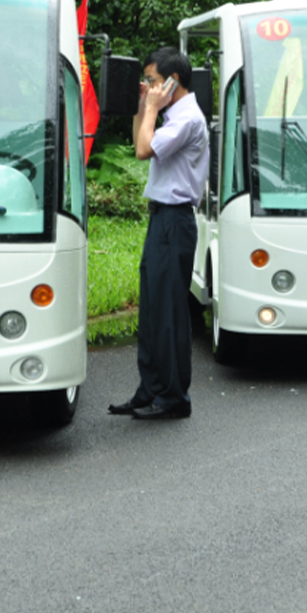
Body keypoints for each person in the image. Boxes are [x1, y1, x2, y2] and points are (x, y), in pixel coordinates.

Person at [108, 46, 208, 420]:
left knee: (168, 312)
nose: (148, 85)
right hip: (161, 219)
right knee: (151, 309)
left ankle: (173, 398)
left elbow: (142, 150)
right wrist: (141, 107)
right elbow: (140, 137)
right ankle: (149, 390)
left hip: (175, 220)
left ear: (173, 81)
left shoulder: (187, 120)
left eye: (152, 80)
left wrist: (151, 109)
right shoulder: (172, 115)